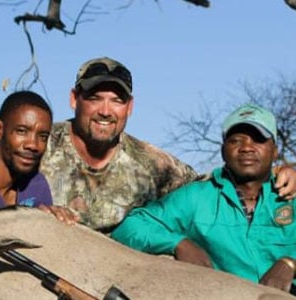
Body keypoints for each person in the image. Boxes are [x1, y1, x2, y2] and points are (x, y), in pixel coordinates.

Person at [40, 56, 296, 233]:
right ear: (75, 99)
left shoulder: (153, 163)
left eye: (117, 100)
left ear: (130, 107)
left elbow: (211, 185)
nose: (105, 111)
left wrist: (277, 173)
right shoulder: (40, 143)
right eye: (95, 98)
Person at [111, 103, 296, 294]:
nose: (246, 148)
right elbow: (130, 228)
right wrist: (178, 243)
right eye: (236, 141)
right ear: (224, 150)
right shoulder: (197, 196)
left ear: (274, 150)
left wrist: (290, 263)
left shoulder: (291, 195)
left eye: (258, 140)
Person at [0, 91, 78, 225]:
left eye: (43, 137)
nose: (33, 145)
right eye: (21, 131)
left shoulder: (36, 185)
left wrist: (54, 216)